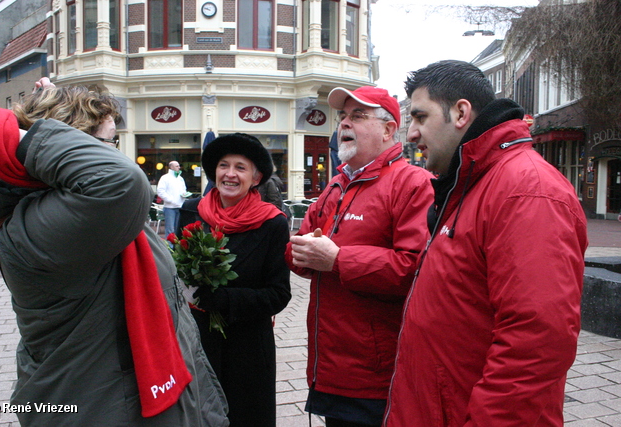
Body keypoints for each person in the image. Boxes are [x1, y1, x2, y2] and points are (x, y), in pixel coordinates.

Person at [0, 92, 229, 424]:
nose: (116, 153)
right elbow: (121, 181)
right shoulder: (36, 228)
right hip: (101, 408)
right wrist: (23, 139)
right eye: (107, 143)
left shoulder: (90, 212)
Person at [383, 60, 588, 426]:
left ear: (461, 112)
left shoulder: (526, 191)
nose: (411, 133)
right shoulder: (469, 183)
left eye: (420, 117)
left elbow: (537, 341)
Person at [286, 86, 434, 426]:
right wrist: (299, 253)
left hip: (375, 373)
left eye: (358, 116)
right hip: (330, 365)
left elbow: (414, 269)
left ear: (387, 130)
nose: (344, 124)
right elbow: (302, 246)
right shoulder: (335, 185)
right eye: (342, 117)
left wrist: (338, 260)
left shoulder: (413, 184)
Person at [178, 133, 291, 426]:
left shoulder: (273, 223)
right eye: (223, 165)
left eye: (240, 167)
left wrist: (222, 300)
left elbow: (279, 294)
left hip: (248, 347)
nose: (230, 174)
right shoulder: (191, 211)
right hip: (196, 339)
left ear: (256, 178)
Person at [157, 161, 187, 238]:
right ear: (171, 167)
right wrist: (170, 200)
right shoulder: (165, 178)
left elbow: (184, 189)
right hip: (170, 208)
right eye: (177, 166)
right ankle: (170, 248)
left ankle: (176, 247)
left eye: (179, 166)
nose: (179, 167)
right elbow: (160, 191)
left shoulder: (180, 178)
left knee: (178, 229)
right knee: (170, 230)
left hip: (179, 206)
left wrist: (184, 194)